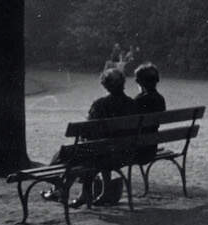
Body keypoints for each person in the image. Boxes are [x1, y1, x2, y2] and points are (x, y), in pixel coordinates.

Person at [42, 67, 138, 206]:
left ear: (105, 85)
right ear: (123, 83)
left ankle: (60, 189)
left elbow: (86, 131)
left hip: (103, 154)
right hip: (123, 153)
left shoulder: (100, 104)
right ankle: (76, 192)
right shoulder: (132, 104)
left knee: (69, 153)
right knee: (92, 151)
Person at [133, 62, 166, 164]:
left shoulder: (138, 101)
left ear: (139, 82)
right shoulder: (160, 99)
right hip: (151, 148)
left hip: (136, 150)